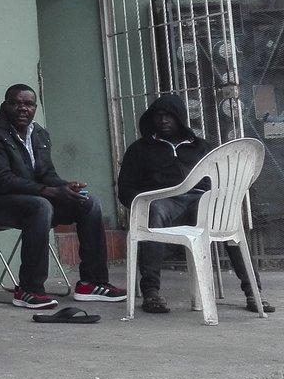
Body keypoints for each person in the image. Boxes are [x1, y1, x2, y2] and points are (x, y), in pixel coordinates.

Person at [0, 84, 127, 309]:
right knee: (40, 206)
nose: (22, 108)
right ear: (5, 106)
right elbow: (0, 180)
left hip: (30, 199)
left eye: (28, 104)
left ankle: (92, 283)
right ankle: (28, 289)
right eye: (16, 103)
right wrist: (47, 191)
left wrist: (65, 187)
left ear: (35, 107)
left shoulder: (39, 133)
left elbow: (46, 174)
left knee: (88, 202)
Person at [117, 94, 274, 314]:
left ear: (180, 118)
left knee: (225, 214)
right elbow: (126, 189)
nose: (163, 120)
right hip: (163, 202)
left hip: (200, 202)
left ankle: (253, 292)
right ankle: (151, 293)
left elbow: (221, 179)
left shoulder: (202, 147)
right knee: (152, 212)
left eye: (169, 116)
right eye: (159, 116)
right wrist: (145, 199)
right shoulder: (139, 149)